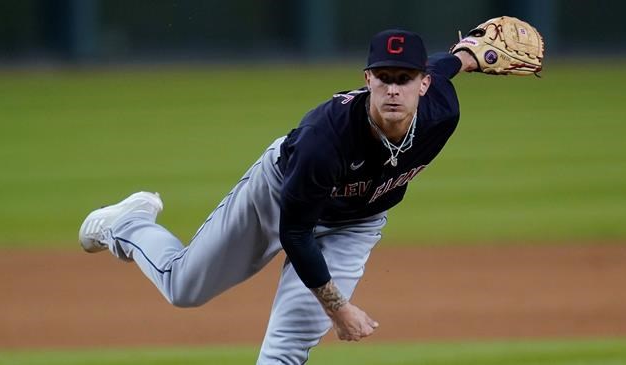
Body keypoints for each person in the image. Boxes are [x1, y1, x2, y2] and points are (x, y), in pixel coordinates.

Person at [79, 29, 478, 364]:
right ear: (367, 79)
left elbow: (447, 67)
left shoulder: (442, 111)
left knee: (288, 345)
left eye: (405, 78)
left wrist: (468, 54)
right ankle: (128, 224)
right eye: (384, 77)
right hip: (277, 195)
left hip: (354, 225)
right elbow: (296, 233)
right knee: (183, 287)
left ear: (424, 84)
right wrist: (338, 308)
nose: (394, 89)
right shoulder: (324, 140)